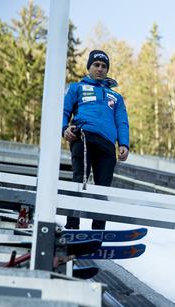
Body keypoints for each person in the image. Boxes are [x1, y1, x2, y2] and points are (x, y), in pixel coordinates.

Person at [62, 50, 130, 230]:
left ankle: (98, 230)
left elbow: (122, 121)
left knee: (103, 188)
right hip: (84, 136)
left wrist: (123, 144)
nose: (100, 69)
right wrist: (64, 129)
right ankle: (72, 226)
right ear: (89, 67)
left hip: (107, 144)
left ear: (107, 70)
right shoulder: (76, 88)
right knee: (79, 181)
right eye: (96, 65)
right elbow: (64, 110)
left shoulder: (116, 97)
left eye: (104, 66)